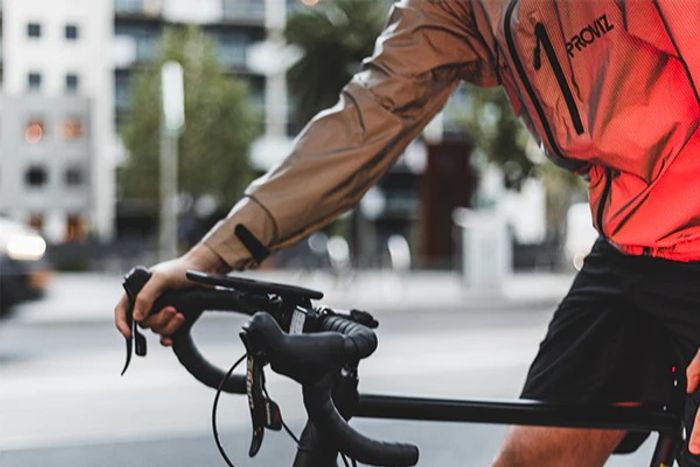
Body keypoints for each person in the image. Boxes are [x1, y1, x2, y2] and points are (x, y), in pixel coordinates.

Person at [115, 1, 699, 465]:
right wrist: (208, 258)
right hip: (631, 247)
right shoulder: (458, 7)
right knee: (531, 457)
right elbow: (366, 120)